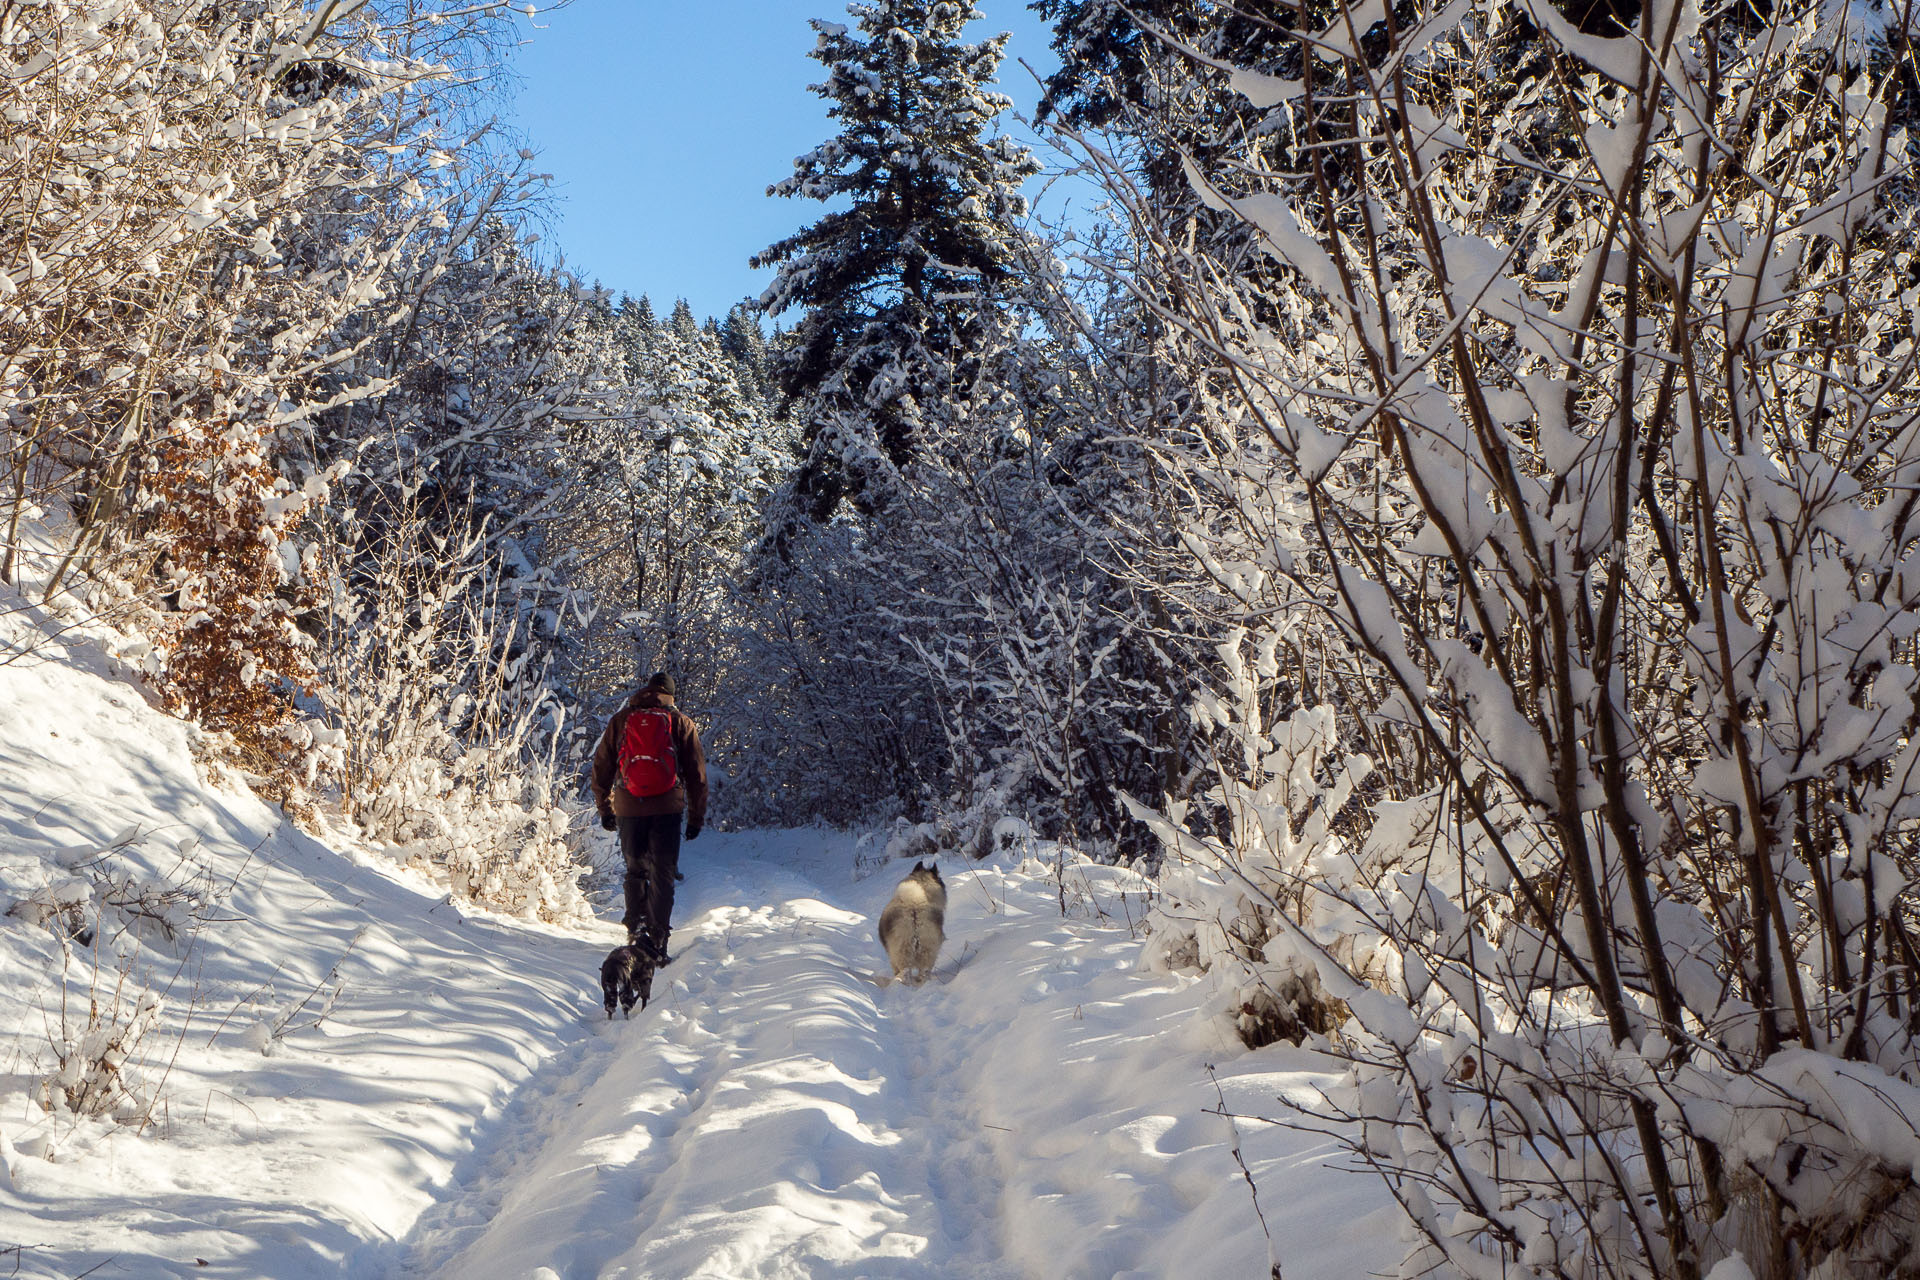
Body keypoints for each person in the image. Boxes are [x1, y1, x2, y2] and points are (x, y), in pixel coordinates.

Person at [590, 672, 707, 964]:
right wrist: (696, 817)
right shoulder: (681, 722)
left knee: (635, 870)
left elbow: (602, 765)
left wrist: (605, 808)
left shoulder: (622, 719)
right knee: (662, 875)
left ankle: (635, 931)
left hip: (629, 806)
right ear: (670, 694)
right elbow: (697, 775)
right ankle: (656, 941)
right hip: (667, 807)